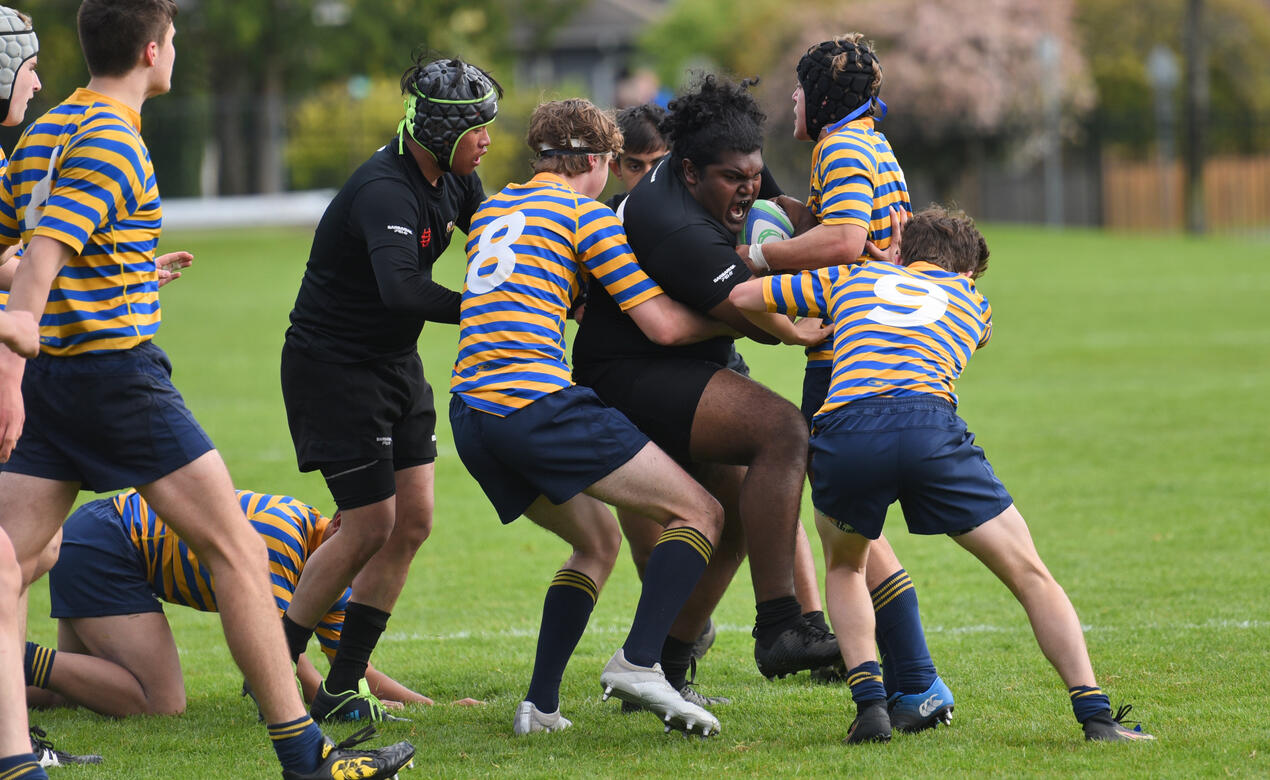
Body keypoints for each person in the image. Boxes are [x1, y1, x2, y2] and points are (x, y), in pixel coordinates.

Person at [0, 2, 413, 778]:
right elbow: (49, 246)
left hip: (54, 381)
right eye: (176, 41)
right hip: (114, 378)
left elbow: (18, 247)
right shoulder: (117, 137)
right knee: (235, 554)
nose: (177, 53)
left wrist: (117, 275)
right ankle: (304, 757)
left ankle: (16, 762)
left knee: (5, 565)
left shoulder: (42, 131)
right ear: (153, 49)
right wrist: (23, 315)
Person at [729, 205, 1157, 744]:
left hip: (846, 428)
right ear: (967, 271)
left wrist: (798, 331)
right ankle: (1096, 717)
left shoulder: (854, 276)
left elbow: (743, 296)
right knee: (1030, 575)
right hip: (930, 427)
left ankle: (871, 709)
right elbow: (961, 335)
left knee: (846, 567)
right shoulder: (974, 304)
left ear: (903, 250)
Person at [449, 97, 737, 737]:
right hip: (534, 402)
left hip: (470, 412)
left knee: (597, 542)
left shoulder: (493, 207)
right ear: (600, 160)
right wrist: (740, 314)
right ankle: (640, 662)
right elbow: (661, 325)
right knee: (701, 512)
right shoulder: (588, 213)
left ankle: (540, 706)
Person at [572, 75, 843, 692]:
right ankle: (781, 627)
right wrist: (809, 322)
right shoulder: (672, 225)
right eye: (733, 179)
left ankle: (659, 666)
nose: (749, 188)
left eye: (755, 174)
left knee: (740, 508)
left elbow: (787, 221)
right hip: (630, 374)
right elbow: (761, 317)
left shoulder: (732, 173)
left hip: (685, 366)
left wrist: (847, 233)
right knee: (782, 431)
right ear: (689, 172)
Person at [739, 34, 957, 731]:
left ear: (821, 100)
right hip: (874, 349)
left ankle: (915, 682)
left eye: (799, 92)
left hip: (843, 362)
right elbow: (848, 231)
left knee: (847, 538)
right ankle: (913, 682)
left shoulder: (841, 147)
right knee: (852, 537)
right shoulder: (870, 144)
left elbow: (842, 243)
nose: (792, 103)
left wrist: (758, 253)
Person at [279, 52, 499, 723]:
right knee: (371, 524)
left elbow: (492, 244)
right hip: (333, 368)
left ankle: (343, 684)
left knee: (414, 522)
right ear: (438, 133)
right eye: (476, 128)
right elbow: (401, 289)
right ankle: (274, 660)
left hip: (394, 365)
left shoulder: (459, 179)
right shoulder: (385, 190)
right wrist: (490, 308)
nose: (488, 138)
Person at [23, 489, 432, 717]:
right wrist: (338, 708)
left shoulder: (330, 571)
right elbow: (276, 653)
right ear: (342, 525)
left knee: (70, 692)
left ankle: (13, 668)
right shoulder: (285, 538)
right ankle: (16, 655)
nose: (375, 565)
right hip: (106, 545)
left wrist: (428, 707)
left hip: (102, 540)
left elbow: (352, 668)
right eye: (372, 546)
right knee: (160, 704)